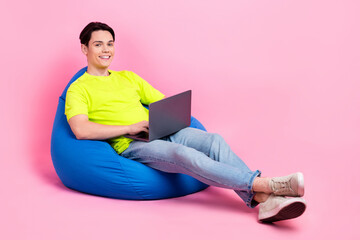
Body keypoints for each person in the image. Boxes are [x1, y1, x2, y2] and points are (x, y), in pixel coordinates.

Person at [65, 22, 307, 223]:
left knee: (214, 140)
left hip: (160, 129)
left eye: (110, 43)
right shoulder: (78, 89)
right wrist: (130, 128)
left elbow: (161, 101)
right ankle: (269, 185)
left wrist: (168, 117)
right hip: (132, 143)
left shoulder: (128, 77)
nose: (106, 50)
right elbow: (80, 129)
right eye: (98, 44)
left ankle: (264, 202)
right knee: (184, 154)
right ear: (85, 48)